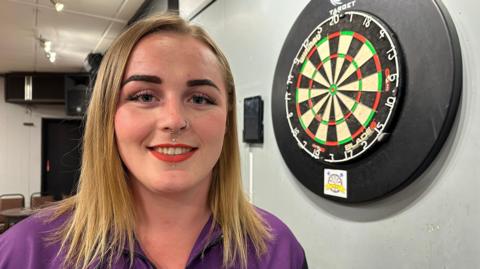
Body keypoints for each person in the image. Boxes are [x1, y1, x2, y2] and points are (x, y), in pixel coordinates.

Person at [0, 13, 307, 269]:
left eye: (200, 98)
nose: (174, 120)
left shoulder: (277, 251)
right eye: (145, 96)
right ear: (108, 116)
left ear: (227, 120)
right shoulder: (26, 252)